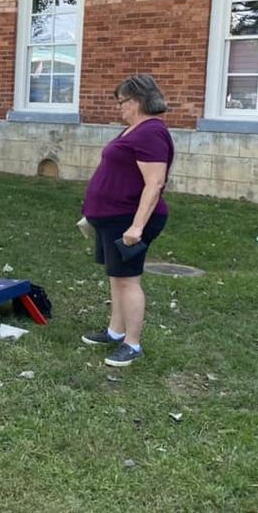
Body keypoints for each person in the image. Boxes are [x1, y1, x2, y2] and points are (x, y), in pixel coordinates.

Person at [81, 74, 174, 367]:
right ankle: (114, 331)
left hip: (129, 219)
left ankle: (132, 344)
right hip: (111, 218)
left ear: (137, 101)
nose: (119, 107)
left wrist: (137, 227)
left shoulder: (151, 133)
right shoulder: (135, 130)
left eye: (122, 101)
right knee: (117, 277)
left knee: (128, 280)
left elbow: (154, 183)